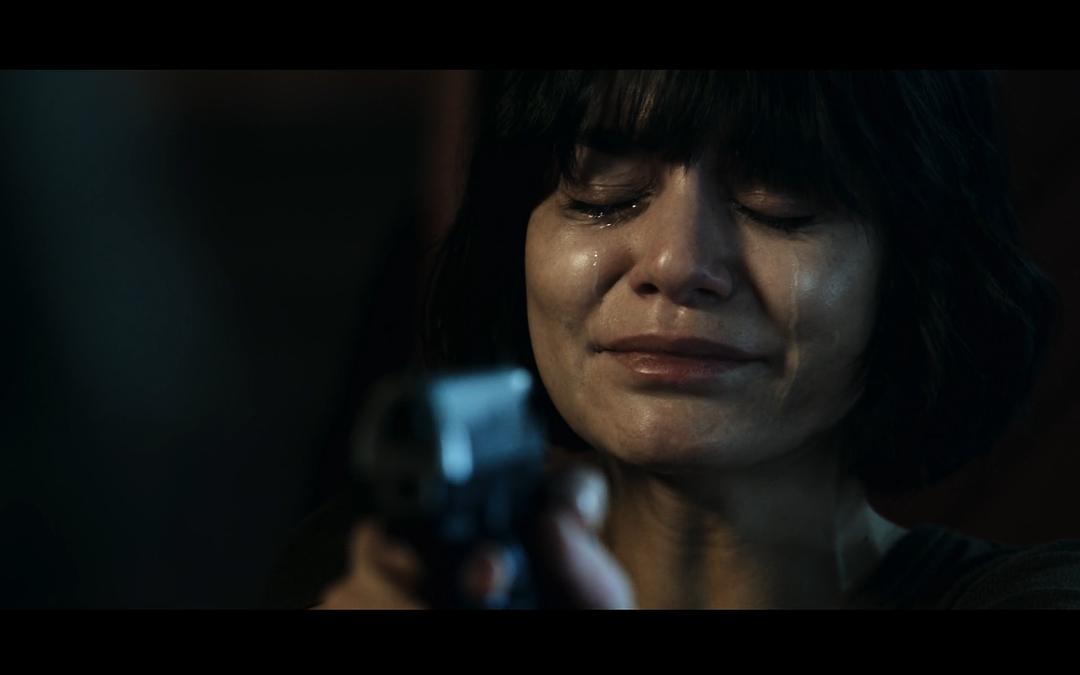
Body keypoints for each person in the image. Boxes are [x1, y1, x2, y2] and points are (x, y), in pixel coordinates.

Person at [266, 71, 1080, 609]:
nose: (677, 263)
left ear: (908, 271)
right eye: (604, 194)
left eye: (780, 199)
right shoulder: (363, 570)